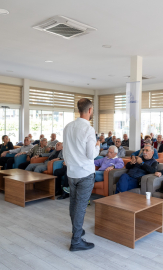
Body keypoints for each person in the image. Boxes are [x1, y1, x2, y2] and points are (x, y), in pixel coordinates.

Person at [63, 98, 99, 251]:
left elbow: (65, 151)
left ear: (79, 110)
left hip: (71, 172)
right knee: (81, 207)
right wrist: (97, 146)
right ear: (90, 110)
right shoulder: (88, 129)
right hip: (85, 173)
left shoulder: (68, 127)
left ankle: (76, 231)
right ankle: (76, 240)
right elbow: (91, 155)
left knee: (73, 203)